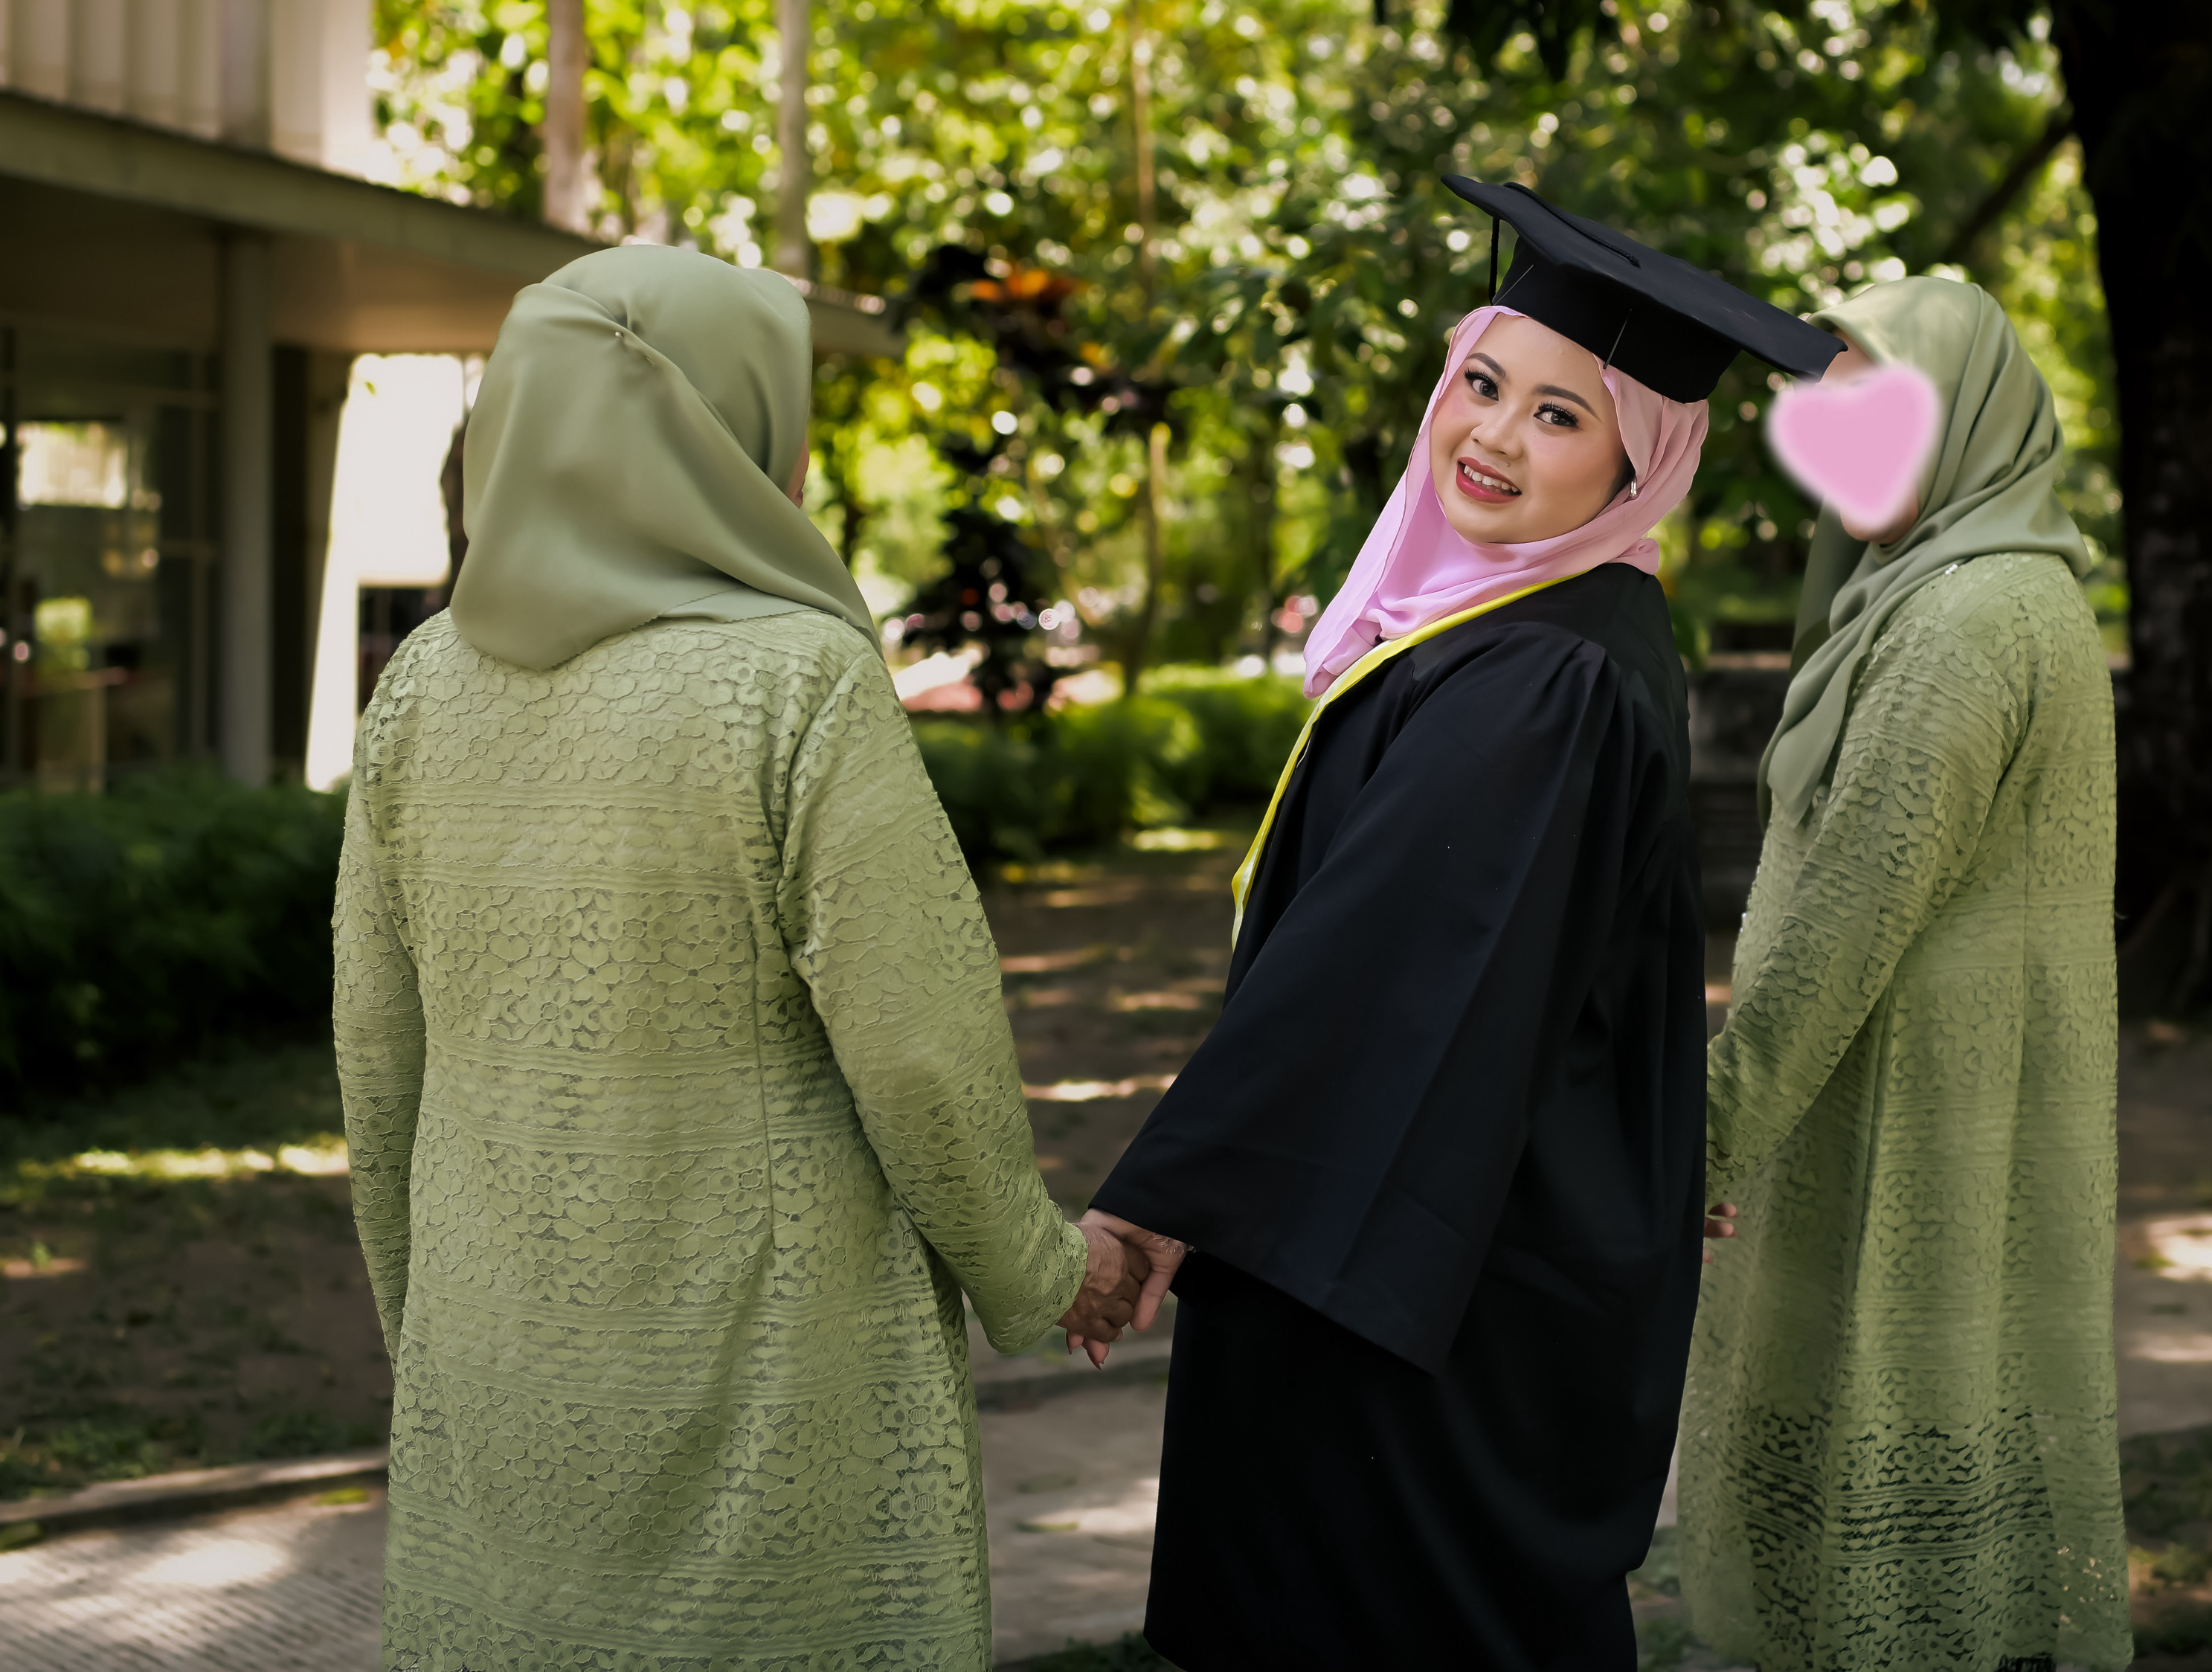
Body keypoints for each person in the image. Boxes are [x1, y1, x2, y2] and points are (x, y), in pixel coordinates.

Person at [333, 245, 1145, 1672]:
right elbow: (918, 1049)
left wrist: (432, 1329)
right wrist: (1046, 1270)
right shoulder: (796, 679)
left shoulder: (419, 687)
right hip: (772, 1382)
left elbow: (377, 1052)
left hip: (497, 1367)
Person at [1081, 178, 1836, 1672]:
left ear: (1637, 460)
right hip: (1436, 1224)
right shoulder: (1531, 623)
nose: (1491, 436)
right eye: (1482, 385)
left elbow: (1383, 972)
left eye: (1560, 415)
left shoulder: (1550, 674)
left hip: (1432, 1281)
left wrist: (1163, 1196)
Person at [1675, 275, 2130, 1671]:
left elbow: (1845, 920)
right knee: (1946, 1433)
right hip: (1944, 1089)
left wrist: (1694, 1137)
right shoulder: (1982, 589)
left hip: (1912, 1104)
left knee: (1893, 1465)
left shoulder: (1962, 624)